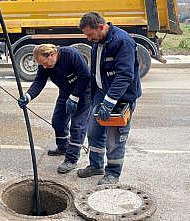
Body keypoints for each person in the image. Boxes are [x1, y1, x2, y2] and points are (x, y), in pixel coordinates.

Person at [77, 12, 142, 185]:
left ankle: (113, 173)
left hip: (120, 98)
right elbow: (97, 71)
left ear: (100, 27)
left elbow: (125, 75)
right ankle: (96, 165)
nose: (89, 38)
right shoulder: (98, 42)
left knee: (115, 137)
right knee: (94, 131)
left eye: (90, 34)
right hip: (100, 94)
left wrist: (109, 101)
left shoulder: (122, 41)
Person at [18, 44, 91, 174]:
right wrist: (27, 97)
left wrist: (74, 97)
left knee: (77, 126)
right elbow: (39, 82)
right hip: (65, 91)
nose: (44, 67)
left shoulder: (71, 55)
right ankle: (63, 147)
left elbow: (85, 76)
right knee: (58, 121)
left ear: (52, 55)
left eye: (45, 63)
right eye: (42, 65)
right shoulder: (44, 64)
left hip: (84, 92)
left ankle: (71, 159)